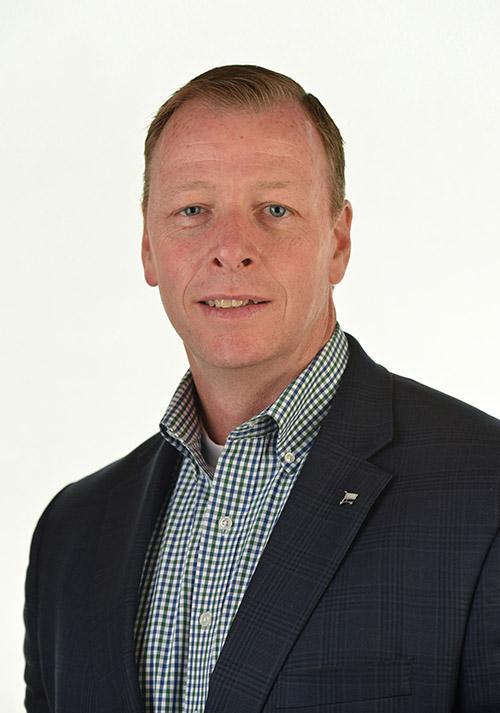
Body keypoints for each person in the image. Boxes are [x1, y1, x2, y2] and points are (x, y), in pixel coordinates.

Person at [23, 64, 500, 713]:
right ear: (148, 246)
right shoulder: (71, 535)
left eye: (274, 209)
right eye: (193, 210)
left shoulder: (483, 492)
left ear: (338, 241)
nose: (231, 248)